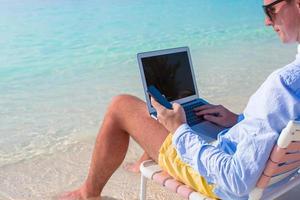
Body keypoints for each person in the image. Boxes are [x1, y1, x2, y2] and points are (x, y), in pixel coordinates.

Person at [59, 0, 300, 199]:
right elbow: (272, 127)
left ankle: (87, 194)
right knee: (170, 114)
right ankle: (148, 156)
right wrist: (238, 120)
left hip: (218, 182)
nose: (267, 21)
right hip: (273, 175)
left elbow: (235, 179)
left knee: (121, 106)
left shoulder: (283, 85)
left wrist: (180, 130)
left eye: (270, 9)